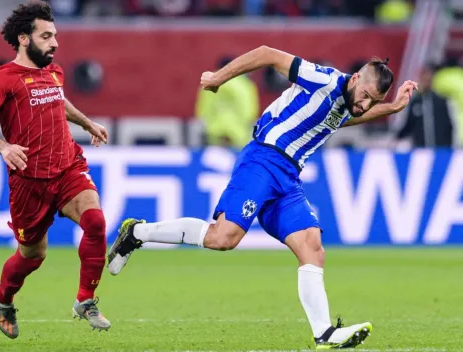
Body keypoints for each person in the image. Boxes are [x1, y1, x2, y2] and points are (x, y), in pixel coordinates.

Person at [107, 46, 418, 349]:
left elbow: (346, 119)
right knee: (223, 238)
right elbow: (267, 54)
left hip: (288, 177)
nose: (364, 105)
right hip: (264, 160)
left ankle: (324, 334)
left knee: (312, 246)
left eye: (373, 101)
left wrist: (392, 108)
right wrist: (218, 78)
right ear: (354, 79)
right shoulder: (322, 80)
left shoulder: (347, 105)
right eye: (365, 96)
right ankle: (136, 233)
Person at [0, 1, 111, 339]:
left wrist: (88, 122)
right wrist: (4, 146)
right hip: (29, 181)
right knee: (33, 255)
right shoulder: (2, 79)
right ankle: (2, 298)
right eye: (46, 36)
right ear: (24, 39)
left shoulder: (54, 72)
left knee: (95, 222)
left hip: (67, 167)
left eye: (55, 35)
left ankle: (85, 299)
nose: (55, 42)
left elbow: (59, 100)